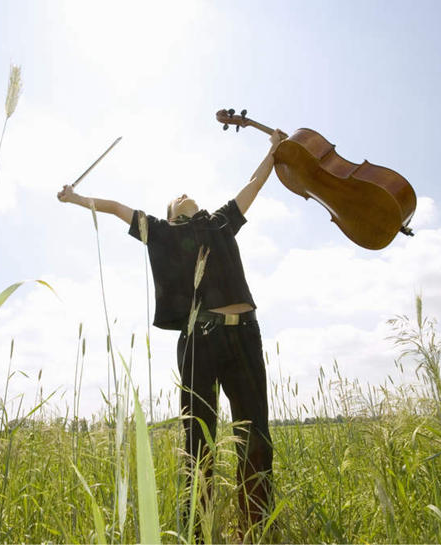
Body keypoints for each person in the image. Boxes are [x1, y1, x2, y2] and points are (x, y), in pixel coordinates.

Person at [57, 128, 283, 538]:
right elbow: (114, 207)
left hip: (245, 336)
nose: (183, 193)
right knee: (199, 444)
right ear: (172, 213)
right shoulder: (161, 232)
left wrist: (274, 150)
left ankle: (255, 531)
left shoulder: (220, 223)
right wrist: (75, 198)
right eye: (175, 197)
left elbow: (254, 184)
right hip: (201, 342)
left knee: (257, 438)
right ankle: (198, 533)